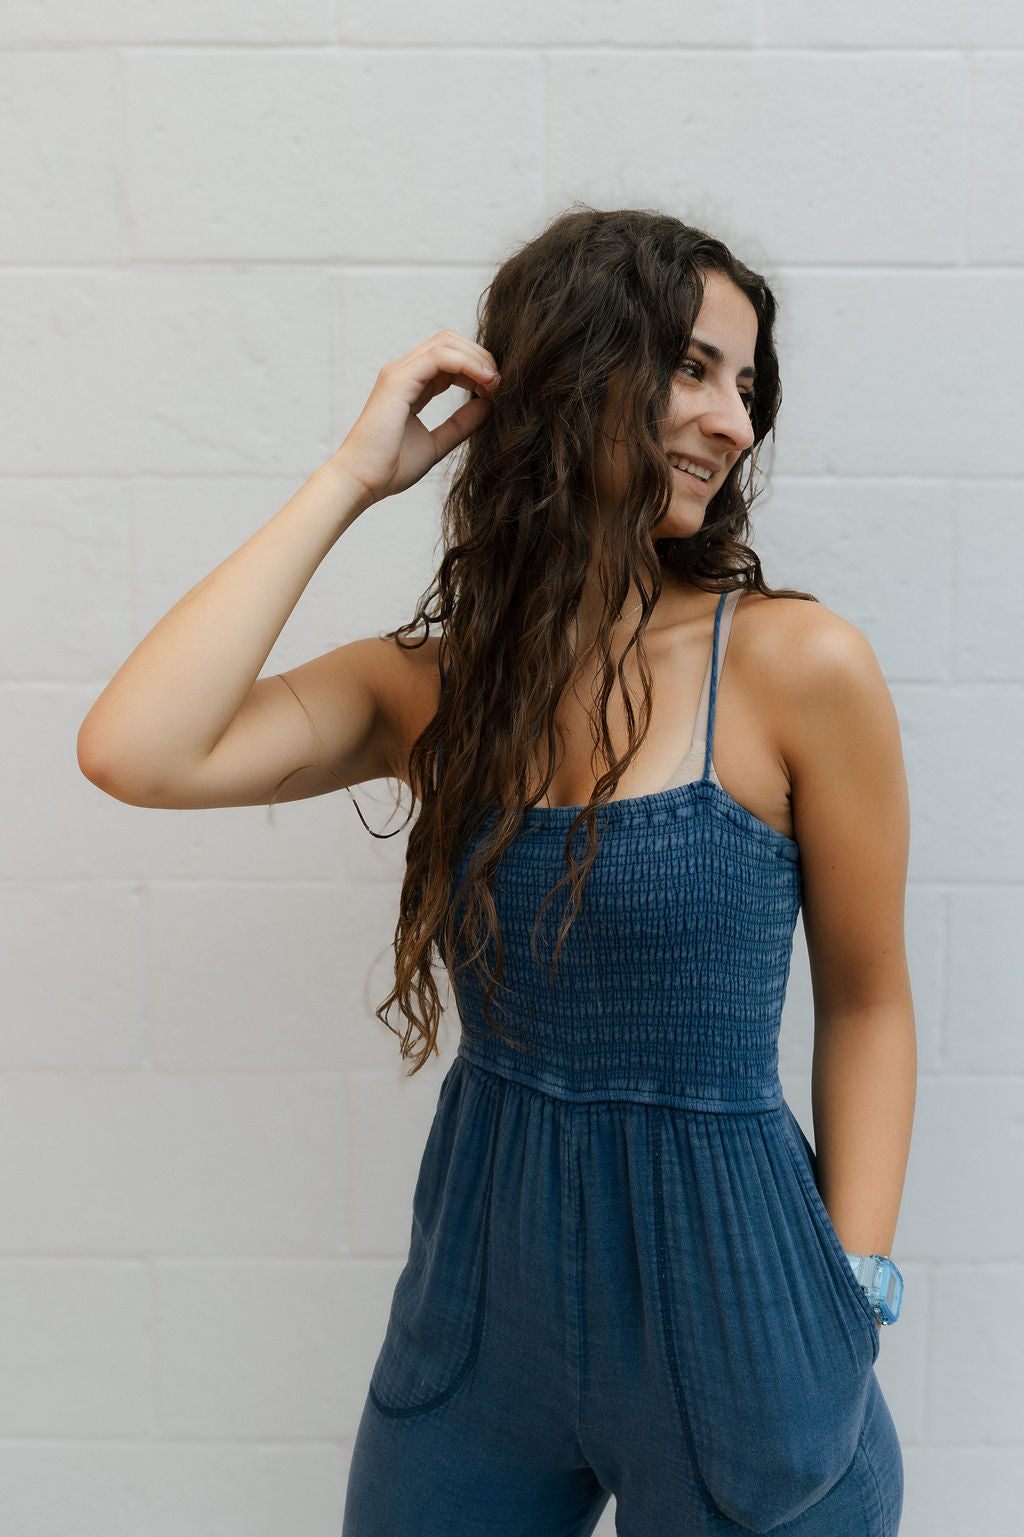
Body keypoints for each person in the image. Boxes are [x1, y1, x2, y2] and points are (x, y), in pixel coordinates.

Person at [77, 207, 915, 1535]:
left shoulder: (797, 666)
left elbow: (868, 999)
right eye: (692, 368)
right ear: (576, 371)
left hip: (743, 1307)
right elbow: (137, 750)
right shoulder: (434, 688)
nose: (735, 423)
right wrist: (354, 476)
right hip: (483, 1299)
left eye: (747, 385)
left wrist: (849, 1293)